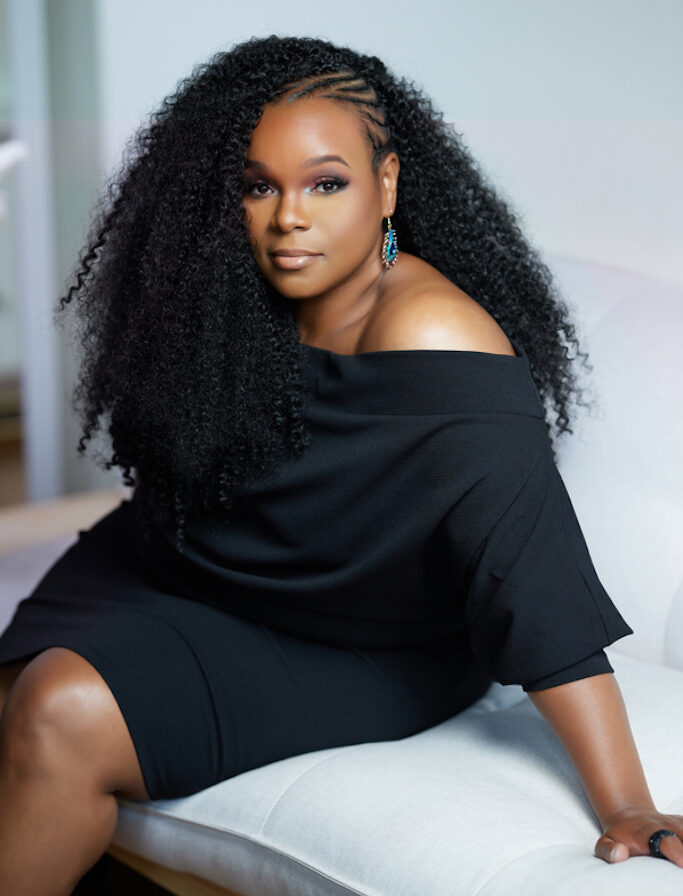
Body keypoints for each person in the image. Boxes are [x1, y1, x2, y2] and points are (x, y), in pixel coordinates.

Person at [0, 33, 681, 894]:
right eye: (259, 186)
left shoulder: (435, 334)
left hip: (357, 640)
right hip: (180, 565)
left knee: (59, 713)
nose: (290, 216)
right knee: (19, 707)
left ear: (386, 183)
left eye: (327, 182)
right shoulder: (239, 295)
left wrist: (626, 801)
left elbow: (529, 571)